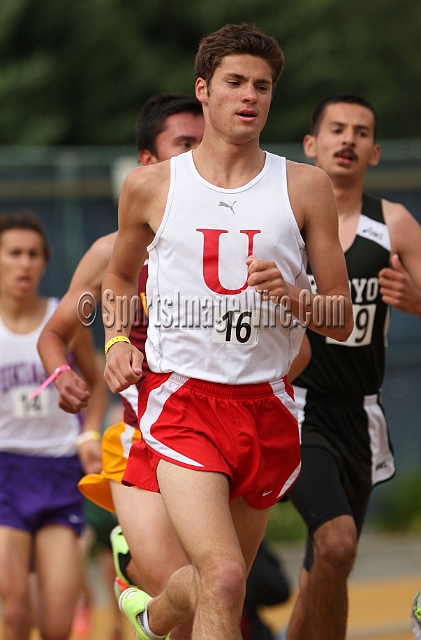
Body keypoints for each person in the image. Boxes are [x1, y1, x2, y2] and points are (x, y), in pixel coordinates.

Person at [102, 23, 353, 640]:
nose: (250, 96)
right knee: (222, 578)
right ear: (204, 90)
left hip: (265, 404)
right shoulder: (151, 186)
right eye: (235, 82)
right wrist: (113, 344)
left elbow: (341, 317)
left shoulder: (306, 186)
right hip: (182, 399)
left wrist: (294, 298)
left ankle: (151, 614)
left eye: (262, 87)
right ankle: (158, 611)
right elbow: (114, 279)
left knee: (223, 578)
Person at [37, 93, 205, 640]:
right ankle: (140, 575)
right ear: (147, 163)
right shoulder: (113, 255)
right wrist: (65, 379)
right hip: (144, 444)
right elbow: (56, 335)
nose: (200, 157)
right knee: (203, 595)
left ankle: (145, 610)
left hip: (219, 438)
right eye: (185, 146)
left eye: (205, 146)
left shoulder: (232, 251)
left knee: (216, 597)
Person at [283, 93, 421, 640]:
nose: (348, 140)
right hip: (294, 407)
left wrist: (416, 299)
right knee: (336, 543)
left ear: (376, 151)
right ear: (311, 145)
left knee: (327, 566)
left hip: (360, 412)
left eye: (361, 132)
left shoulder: (394, 225)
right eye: (336, 129)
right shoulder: (281, 220)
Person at [0, 210, 105, 640]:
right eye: (14, 253)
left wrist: (88, 432)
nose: (24, 263)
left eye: (33, 254)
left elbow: (97, 383)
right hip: (6, 470)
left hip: (60, 468)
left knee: (59, 624)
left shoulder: (61, 322)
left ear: (45, 262)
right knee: (15, 613)